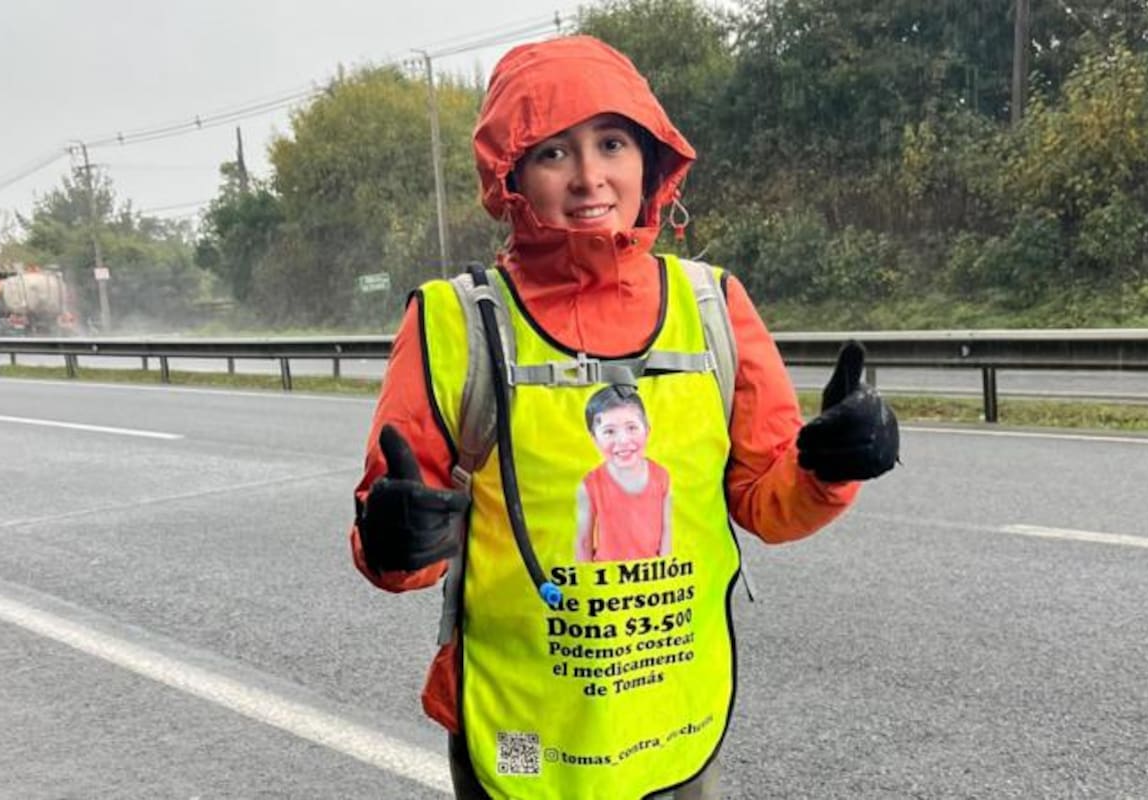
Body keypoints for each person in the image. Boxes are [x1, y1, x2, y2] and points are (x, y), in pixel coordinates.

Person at [350, 35, 899, 800]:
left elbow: (766, 502)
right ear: (511, 174)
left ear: (649, 159)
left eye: (612, 143)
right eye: (552, 152)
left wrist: (828, 470)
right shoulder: (453, 323)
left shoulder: (712, 305)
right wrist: (393, 539)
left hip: (670, 729)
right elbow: (402, 541)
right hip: (523, 728)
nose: (589, 177)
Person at [576, 384, 672, 563]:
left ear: (647, 430)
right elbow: (583, 542)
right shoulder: (590, 484)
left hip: (653, 573)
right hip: (607, 574)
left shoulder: (661, 476)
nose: (623, 440)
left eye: (632, 428)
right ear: (594, 439)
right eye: (609, 431)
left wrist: (664, 569)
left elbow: (668, 532)